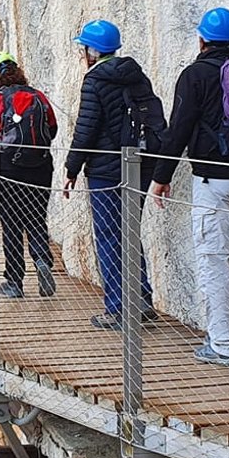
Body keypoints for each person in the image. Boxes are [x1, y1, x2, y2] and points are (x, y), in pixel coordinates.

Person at [152, 7, 229, 367]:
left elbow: (179, 127)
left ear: (202, 39)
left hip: (214, 179)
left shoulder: (195, 75)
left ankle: (222, 344)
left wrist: (161, 176)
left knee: (213, 259)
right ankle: (228, 334)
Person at [62, 20, 161, 330]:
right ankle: (142, 299)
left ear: (93, 51)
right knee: (129, 232)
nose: (82, 53)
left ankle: (118, 308)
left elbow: (86, 128)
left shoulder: (94, 80)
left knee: (108, 236)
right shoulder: (136, 75)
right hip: (141, 165)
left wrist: (71, 168)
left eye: (84, 48)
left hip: (106, 171)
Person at [0, 52, 58, 299]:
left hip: (7, 170)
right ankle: (42, 259)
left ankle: (15, 281)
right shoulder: (37, 96)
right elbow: (52, 129)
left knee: (11, 223)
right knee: (35, 218)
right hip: (41, 168)